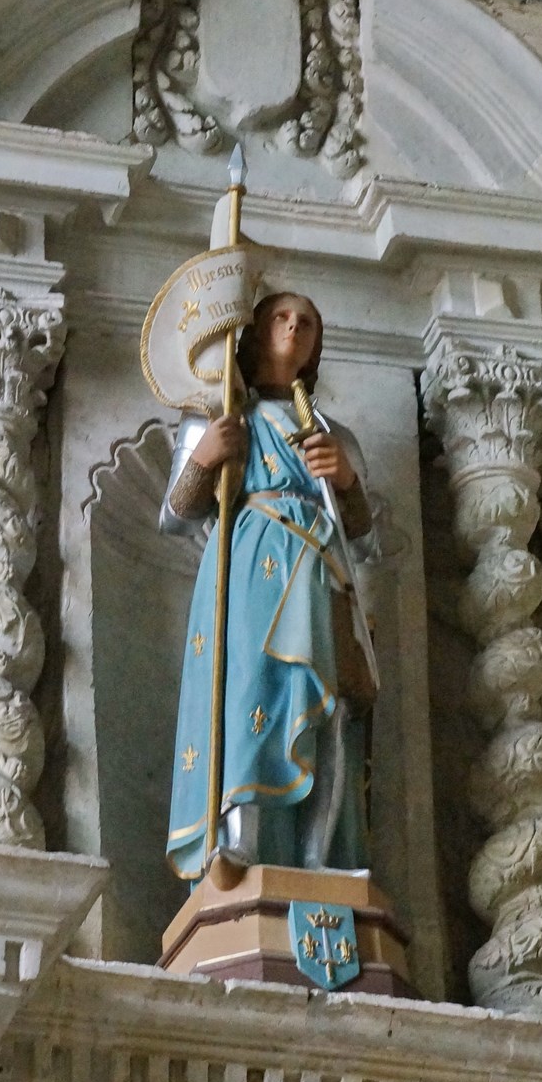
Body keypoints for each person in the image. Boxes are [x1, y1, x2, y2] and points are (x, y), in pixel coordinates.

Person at [159, 292, 378, 879]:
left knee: (330, 711)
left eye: (308, 322)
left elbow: (365, 541)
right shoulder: (219, 417)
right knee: (249, 694)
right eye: (281, 317)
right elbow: (175, 516)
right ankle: (241, 843)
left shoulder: (332, 434)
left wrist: (346, 481)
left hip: (321, 574)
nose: (295, 327)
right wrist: (205, 458)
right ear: (253, 334)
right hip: (251, 570)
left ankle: (321, 858)